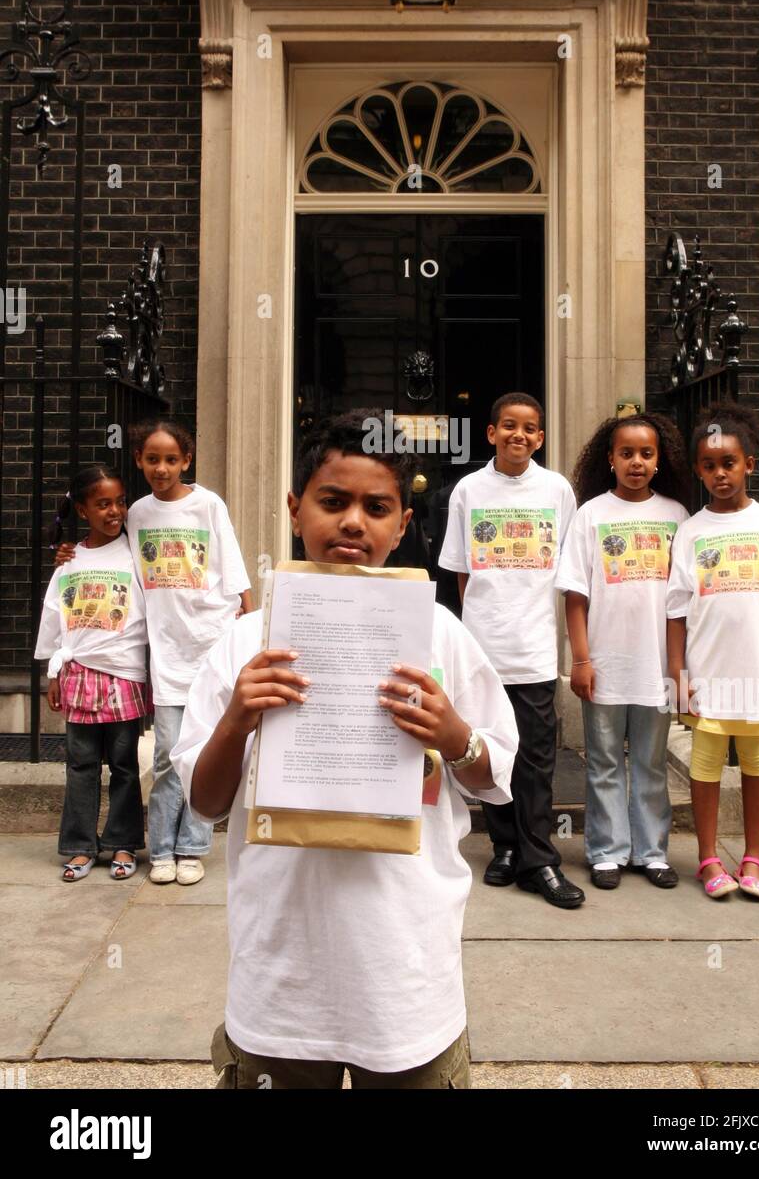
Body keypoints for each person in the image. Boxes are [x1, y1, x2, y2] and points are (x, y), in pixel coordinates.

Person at [170, 409, 517, 1089]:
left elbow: (493, 775)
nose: (354, 522)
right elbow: (205, 803)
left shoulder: (441, 637)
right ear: (296, 510)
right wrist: (238, 718)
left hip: (408, 978)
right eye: (334, 502)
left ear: (402, 525)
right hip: (282, 979)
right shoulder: (245, 644)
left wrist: (454, 737)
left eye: (376, 507)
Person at [57, 419, 253, 886]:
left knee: (205, 749)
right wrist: (67, 552)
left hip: (211, 639)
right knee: (167, 753)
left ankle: (193, 846)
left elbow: (232, 562)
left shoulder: (208, 504)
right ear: (140, 461)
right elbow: (109, 559)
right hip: (165, 652)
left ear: (186, 461)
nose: (161, 468)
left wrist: (247, 620)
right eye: (151, 459)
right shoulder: (138, 513)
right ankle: (162, 846)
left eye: (170, 459)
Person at [438, 392, 583, 909]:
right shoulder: (468, 491)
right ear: (491, 433)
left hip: (536, 648)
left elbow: (568, 571)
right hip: (484, 647)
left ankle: (538, 859)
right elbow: (460, 570)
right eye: (509, 426)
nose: (518, 435)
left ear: (540, 438)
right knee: (487, 753)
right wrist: (481, 624)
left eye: (529, 428)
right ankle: (503, 847)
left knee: (535, 760)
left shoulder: (557, 489)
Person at [666, 401, 759, 899]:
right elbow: (676, 613)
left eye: (728, 463)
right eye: (708, 465)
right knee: (706, 769)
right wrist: (678, 675)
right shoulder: (690, 532)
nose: (719, 474)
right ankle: (709, 858)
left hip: (757, 674)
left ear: (749, 463)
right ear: (698, 471)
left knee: (758, 763)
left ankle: (754, 857)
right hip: (709, 675)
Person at [557, 413, 690, 890]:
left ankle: (651, 851)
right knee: (605, 760)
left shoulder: (677, 516)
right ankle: (606, 851)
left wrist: (683, 668)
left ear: (659, 460)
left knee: (652, 762)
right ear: (609, 459)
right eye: (627, 453)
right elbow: (575, 596)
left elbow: (686, 602)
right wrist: (581, 659)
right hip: (606, 663)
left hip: (657, 664)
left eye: (646, 453)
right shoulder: (591, 514)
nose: (637, 462)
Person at [35, 467, 147, 882]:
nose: (115, 511)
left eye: (119, 502)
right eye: (103, 504)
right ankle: (80, 847)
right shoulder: (70, 559)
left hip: (123, 673)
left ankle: (122, 843)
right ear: (82, 509)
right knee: (80, 764)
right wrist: (53, 671)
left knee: (123, 764)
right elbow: (54, 614)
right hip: (79, 673)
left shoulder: (134, 553)